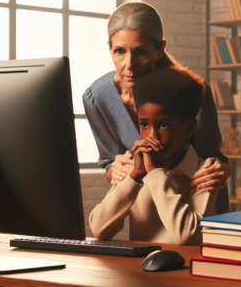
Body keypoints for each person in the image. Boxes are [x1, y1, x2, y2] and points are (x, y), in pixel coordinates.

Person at [83, 1, 231, 215]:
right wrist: (114, 170)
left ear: (159, 50)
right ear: (109, 48)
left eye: (141, 51)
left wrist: (220, 170)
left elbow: (215, 159)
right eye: (119, 51)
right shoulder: (96, 98)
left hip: (197, 206)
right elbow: (109, 164)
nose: (129, 64)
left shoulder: (194, 91)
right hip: (146, 212)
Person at [89, 66, 217, 245]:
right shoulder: (135, 168)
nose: (151, 137)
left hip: (185, 270)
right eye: (144, 125)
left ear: (189, 128)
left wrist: (155, 172)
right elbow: (99, 229)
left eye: (164, 125)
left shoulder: (205, 173)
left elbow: (187, 236)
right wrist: (134, 178)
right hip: (139, 269)